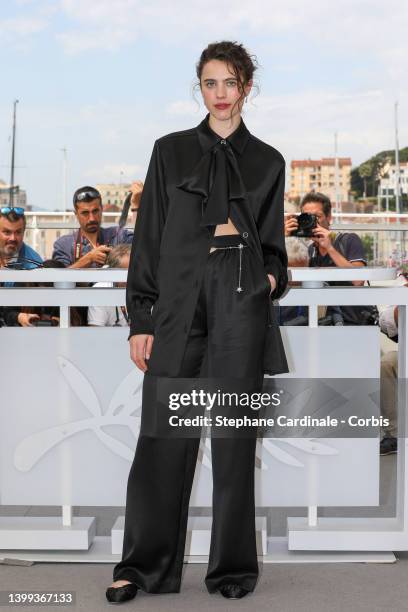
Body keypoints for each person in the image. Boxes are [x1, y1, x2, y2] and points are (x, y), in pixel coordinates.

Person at [106, 41, 288, 604]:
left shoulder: (269, 161)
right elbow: (150, 240)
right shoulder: (170, 151)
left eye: (231, 83)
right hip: (178, 301)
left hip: (240, 295)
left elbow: (275, 248)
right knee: (162, 437)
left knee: (235, 440)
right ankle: (141, 568)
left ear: (247, 88)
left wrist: (269, 280)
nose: (221, 94)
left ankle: (232, 569)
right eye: (210, 83)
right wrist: (142, 316)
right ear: (200, 88)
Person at [285, 191, 371, 325]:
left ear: (329, 217)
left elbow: (358, 280)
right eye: (307, 217)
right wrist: (284, 239)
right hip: (322, 323)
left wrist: (330, 248)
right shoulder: (311, 250)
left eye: (317, 217)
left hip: (353, 322)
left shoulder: (348, 240)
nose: (312, 222)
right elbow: (294, 283)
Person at [52, 186, 134, 268]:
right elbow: (60, 277)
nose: (92, 218)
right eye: (85, 213)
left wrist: (136, 206)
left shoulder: (118, 235)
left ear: (101, 209)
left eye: (95, 211)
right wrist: (89, 259)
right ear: (76, 214)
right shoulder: (64, 244)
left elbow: (142, 248)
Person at [87, 244, 131, 327]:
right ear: (113, 273)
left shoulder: (148, 286)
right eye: (125, 273)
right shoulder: (100, 291)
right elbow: (95, 332)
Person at [0, 207, 42, 287]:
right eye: (7, 232)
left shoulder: (34, 264)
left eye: (18, 232)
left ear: (24, 232)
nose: (13, 238)